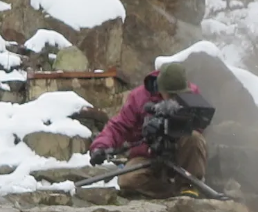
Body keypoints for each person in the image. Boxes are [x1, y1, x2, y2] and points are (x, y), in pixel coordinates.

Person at [87, 62, 213, 197]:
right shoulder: (139, 97)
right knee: (128, 180)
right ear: (161, 89)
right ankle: (170, 192)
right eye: (171, 94)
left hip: (179, 150)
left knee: (194, 138)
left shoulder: (191, 93)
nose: (174, 98)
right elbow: (119, 126)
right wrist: (100, 147)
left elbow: (200, 125)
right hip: (147, 153)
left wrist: (179, 121)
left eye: (179, 94)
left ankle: (189, 186)